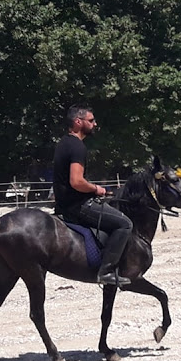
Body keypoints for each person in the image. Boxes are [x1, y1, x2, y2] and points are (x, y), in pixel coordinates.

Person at [52, 104, 133, 285]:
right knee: (125, 224)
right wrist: (97, 189)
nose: (95, 124)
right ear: (78, 122)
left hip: (63, 204)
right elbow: (77, 182)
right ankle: (106, 271)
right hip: (78, 206)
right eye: (91, 120)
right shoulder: (77, 147)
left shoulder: (63, 143)